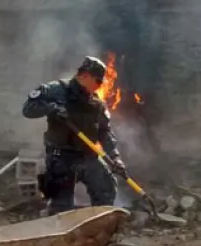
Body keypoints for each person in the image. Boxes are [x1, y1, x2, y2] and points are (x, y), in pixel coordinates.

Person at [22, 56, 126, 216]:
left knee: (106, 188)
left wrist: (115, 157)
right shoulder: (55, 90)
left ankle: (98, 227)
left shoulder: (96, 103)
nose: (99, 86)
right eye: (98, 82)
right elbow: (28, 109)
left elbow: (104, 132)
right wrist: (51, 109)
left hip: (87, 156)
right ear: (85, 76)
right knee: (61, 206)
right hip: (61, 157)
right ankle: (59, 234)